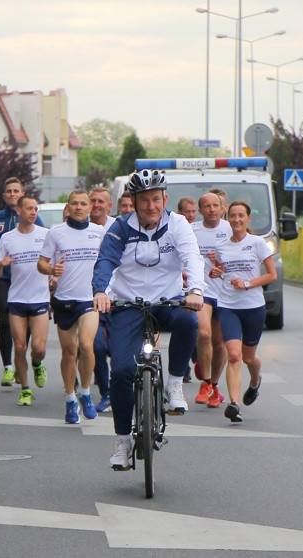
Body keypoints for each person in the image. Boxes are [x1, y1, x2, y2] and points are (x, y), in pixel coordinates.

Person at [92, 169, 205, 470]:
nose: (151, 206)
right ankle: (122, 442)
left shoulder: (178, 225)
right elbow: (105, 261)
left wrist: (194, 289)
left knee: (187, 321)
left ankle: (174, 385)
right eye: (144, 200)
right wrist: (100, 292)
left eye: (156, 199)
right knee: (123, 371)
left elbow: (193, 257)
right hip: (128, 304)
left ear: (165, 199)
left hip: (166, 302)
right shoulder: (119, 228)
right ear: (134, 202)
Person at [38, 190, 105, 424]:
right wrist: (50, 270)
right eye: (74, 204)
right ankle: (69, 398)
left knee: (87, 346)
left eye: (83, 204)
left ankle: (85, 393)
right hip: (65, 299)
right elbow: (42, 263)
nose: (79, 207)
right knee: (69, 352)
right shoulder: (56, 232)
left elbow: (110, 263)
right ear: (68, 207)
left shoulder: (99, 232)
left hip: (89, 299)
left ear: (90, 208)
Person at [210, 201, 276, 423]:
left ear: (248, 219)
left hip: (253, 307)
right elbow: (222, 271)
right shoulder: (222, 246)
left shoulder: (257, 243)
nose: (237, 220)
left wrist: (247, 284)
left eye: (241, 216)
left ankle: (255, 381)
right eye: (233, 216)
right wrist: (215, 272)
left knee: (249, 357)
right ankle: (234, 404)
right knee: (235, 356)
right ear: (228, 219)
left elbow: (271, 275)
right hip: (229, 307)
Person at [0, 177, 44, 387]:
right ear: (4, 195)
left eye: (16, 191)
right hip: (3, 276)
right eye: (8, 191)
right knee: (5, 319)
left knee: (22, 324)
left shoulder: (34, 218)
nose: (12, 194)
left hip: (25, 279)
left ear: (21, 193)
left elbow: (46, 244)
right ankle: (8, 366)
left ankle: (23, 361)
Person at [0, 195, 50, 406]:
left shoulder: (46, 235)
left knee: (39, 348)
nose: (33, 212)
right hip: (17, 299)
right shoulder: (7, 238)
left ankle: (37, 363)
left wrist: (54, 276)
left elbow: (54, 260)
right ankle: (25, 389)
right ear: (19, 211)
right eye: (29, 209)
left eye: (36, 209)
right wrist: (2, 265)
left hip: (40, 298)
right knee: (19, 346)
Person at [191, 193, 231, 409]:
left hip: (224, 292)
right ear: (200, 210)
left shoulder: (229, 229)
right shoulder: (193, 231)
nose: (212, 209)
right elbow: (182, 257)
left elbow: (239, 260)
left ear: (223, 208)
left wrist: (223, 267)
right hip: (202, 290)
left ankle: (215, 385)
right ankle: (205, 383)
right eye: (207, 206)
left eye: (216, 205)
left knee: (219, 342)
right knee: (204, 333)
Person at [89, 187, 117, 413]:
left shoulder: (119, 228)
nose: (96, 205)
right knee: (96, 346)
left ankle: (122, 390)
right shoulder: (79, 227)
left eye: (101, 201)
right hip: (92, 298)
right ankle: (106, 393)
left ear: (109, 206)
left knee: (118, 349)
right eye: (93, 201)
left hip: (117, 296)